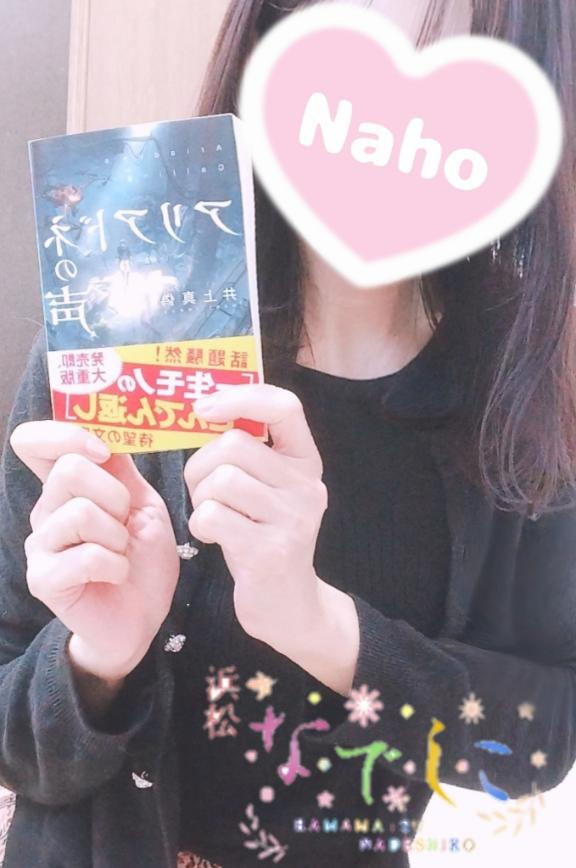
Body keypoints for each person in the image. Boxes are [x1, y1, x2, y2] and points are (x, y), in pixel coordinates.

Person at [1, 0, 576, 866]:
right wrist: (97, 659)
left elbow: (540, 736)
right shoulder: (117, 336)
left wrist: (320, 624)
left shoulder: (524, 378)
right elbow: (15, 736)